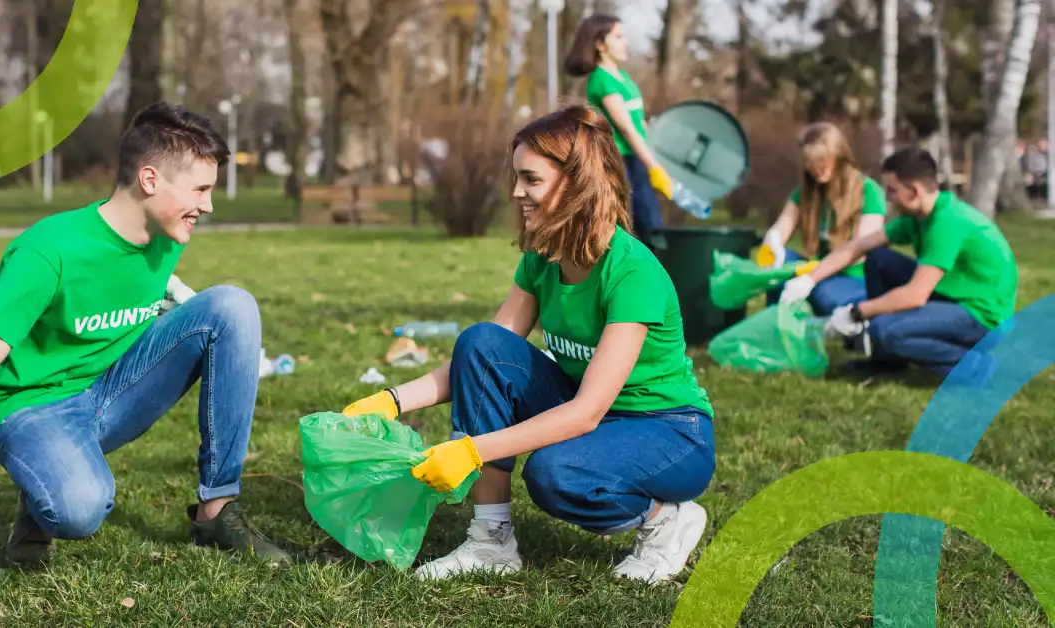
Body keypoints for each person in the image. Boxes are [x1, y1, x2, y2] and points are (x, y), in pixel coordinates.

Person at [0, 102, 291, 597]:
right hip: (32, 409)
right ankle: (40, 495)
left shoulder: (166, 233)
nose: (209, 205)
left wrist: (175, 294)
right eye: (200, 189)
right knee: (80, 508)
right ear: (150, 179)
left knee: (233, 307)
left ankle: (217, 510)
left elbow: (126, 274)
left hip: (110, 391)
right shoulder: (47, 251)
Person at [341, 105, 716, 584]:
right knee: (480, 342)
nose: (517, 192)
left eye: (531, 179)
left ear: (577, 182)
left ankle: (666, 518)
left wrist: (471, 451)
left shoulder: (631, 271)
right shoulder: (544, 258)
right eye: (517, 177)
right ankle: (490, 541)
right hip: (596, 413)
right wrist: (390, 402)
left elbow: (586, 414)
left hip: (669, 432)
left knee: (555, 474)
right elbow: (481, 361)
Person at [779, 147, 1018, 380]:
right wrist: (809, 280)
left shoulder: (947, 223)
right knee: (879, 260)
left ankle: (975, 366)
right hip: (954, 297)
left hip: (983, 318)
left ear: (914, 191)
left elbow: (915, 296)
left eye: (892, 190)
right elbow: (858, 247)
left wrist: (856, 313)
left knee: (884, 330)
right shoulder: (917, 217)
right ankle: (887, 361)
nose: (887, 197)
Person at [759, 122, 889, 316]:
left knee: (825, 296)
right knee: (777, 266)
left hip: (854, 277)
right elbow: (779, 229)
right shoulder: (807, 193)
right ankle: (773, 324)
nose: (816, 169)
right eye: (810, 164)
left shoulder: (869, 192)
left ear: (839, 156)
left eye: (822, 162)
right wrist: (773, 244)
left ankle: (853, 317)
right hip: (818, 270)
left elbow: (858, 250)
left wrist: (811, 278)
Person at [564, 13, 674, 240]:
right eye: (619, 37)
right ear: (600, 44)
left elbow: (638, 122)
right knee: (637, 228)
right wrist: (653, 167)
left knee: (652, 227)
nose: (626, 42)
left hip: (637, 159)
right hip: (620, 162)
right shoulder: (602, 79)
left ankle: (653, 273)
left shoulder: (622, 76)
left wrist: (657, 153)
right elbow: (626, 129)